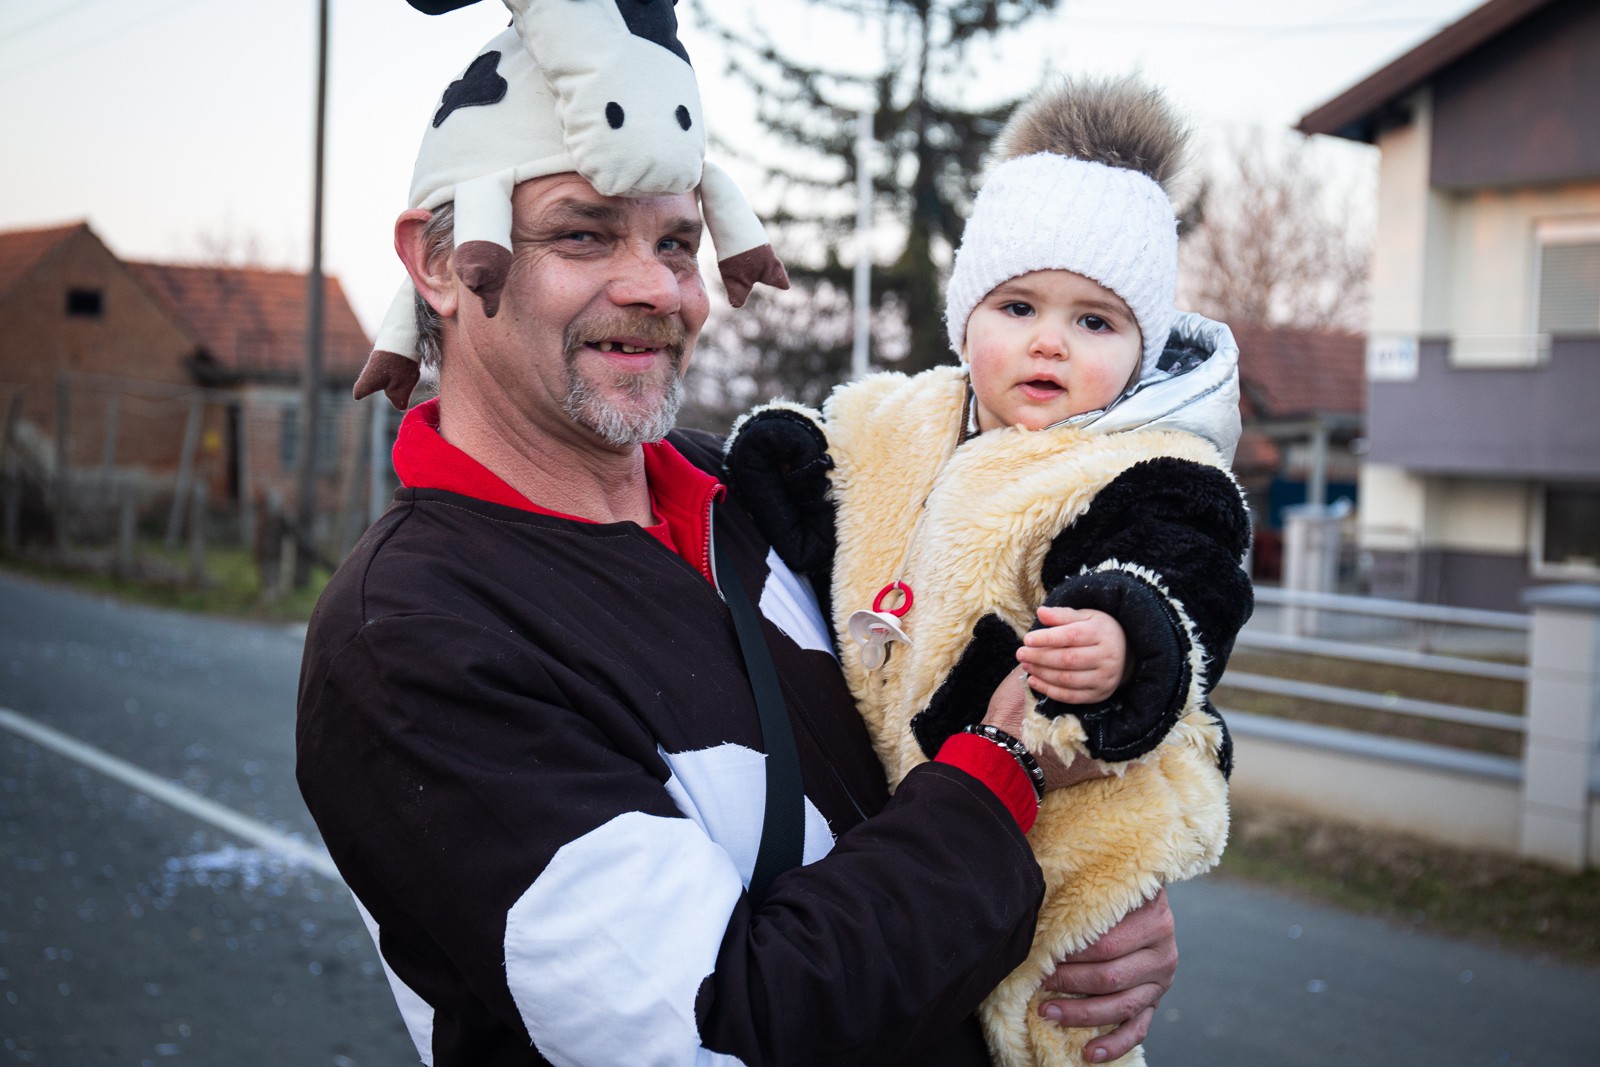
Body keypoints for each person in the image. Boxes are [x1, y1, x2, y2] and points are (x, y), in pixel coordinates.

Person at [297, 4, 1177, 1065]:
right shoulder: (412, 633)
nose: (656, 288)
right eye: (583, 232)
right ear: (437, 264)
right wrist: (1002, 779)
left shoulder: (770, 487)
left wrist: (1107, 880)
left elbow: (1066, 601)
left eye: (676, 240)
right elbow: (729, 1028)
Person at [723, 77, 1253, 1066]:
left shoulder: (1138, 467)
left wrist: (1125, 631)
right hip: (916, 801)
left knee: (1054, 1015)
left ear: (1139, 351)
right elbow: (838, 470)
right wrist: (781, 469)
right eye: (1019, 305)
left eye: (1096, 322)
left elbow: (1185, 568)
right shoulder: (913, 417)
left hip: (1062, 814)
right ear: (967, 320)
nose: (1050, 339)